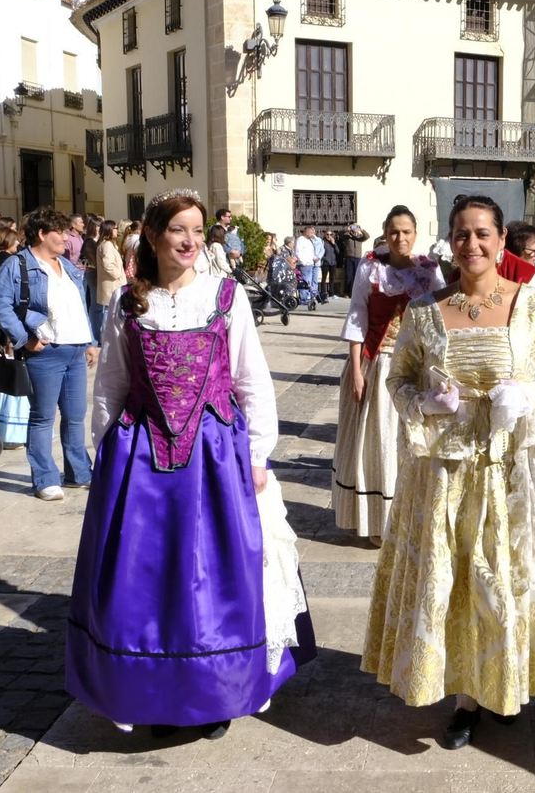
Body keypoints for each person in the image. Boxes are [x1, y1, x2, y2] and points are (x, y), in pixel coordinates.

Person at [70, 190, 313, 738]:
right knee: (150, 577)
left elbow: (251, 378)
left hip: (215, 453)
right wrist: (104, 450)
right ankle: (155, 694)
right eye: (179, 230)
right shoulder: (127, 304)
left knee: (214, 575)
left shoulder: (225, 296)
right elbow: (111, 382)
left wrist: (257, 453)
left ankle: (215, 693)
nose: (190, 241)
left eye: (198, 231)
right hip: (142, 455)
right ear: (153, 236)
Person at [363, 194, 535, 750]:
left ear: (502, 241)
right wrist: (425, 404)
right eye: (462, 234)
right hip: (444, 475)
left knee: (506, 581)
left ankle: (503, 685)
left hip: (511, 470)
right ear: (450, 242)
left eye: (483, 233)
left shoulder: (531, 301)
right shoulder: (424, 310)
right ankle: (463, 697)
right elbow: (398, 380)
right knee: (454, 581)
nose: (472, 244)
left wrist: (530, 395)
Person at [333, 206, 445, 541]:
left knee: (411, 443)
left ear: (415, 233)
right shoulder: (370, 267)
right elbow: (358, 316)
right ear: (385, 232)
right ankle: (379, 523)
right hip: (378, 363)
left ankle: (411, 520)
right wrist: (356, 371)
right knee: (379, 442)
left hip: (415, 368)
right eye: (394, 231)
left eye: (406, 231)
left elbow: (439, 321)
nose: (400, 238)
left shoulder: (429, 271)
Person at [0, 207, 98, 502]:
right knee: (42, 417)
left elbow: (79, 304)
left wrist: (90, 340)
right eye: (60, 232)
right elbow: (0, 303)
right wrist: (24, 339)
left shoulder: (66, 264)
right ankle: (46, 479)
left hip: (75, 350)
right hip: (46, 353)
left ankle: (79, 474)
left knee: (76, 416)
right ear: (41, 234)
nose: (66, 237)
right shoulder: (19, 265)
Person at [0, 226, 30, 449]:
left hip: (8, 321)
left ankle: (8, 428)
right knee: (17, 372)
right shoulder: (9, 260)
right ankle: (15, 429)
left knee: (12, 370)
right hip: (12, 321)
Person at [94, 220, 124, 339]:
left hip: (111, 283)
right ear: (109, 229)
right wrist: (118, 275)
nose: (117, 230)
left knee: (110, 311)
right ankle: (106, 337)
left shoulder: (108, 244)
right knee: (109, 311)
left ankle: (107, 336)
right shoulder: (107, 245)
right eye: (115, 228)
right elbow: (108, 265)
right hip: (112, 284)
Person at [294, 226, 321, 302]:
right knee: (305, 282)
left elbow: (310, 252)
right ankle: (304, 298)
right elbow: (298, 252)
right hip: (304, 265)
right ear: (307, 232)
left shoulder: (310, 241)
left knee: (309, 282)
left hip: (310, 264)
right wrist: (303, 262)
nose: (313, 234)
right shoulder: (300, 240)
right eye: (311, 233)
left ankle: (309, 296)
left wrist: (314, 259)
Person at [216, 207, 245, 274]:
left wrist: (240, 252)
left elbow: (239, 241)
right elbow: (217, 243)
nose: (231, 218)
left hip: (236, 263)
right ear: (222, 217)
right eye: (229, 216)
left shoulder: (232, 229)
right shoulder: (215, 229)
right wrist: (230, 251)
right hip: (224, 265)